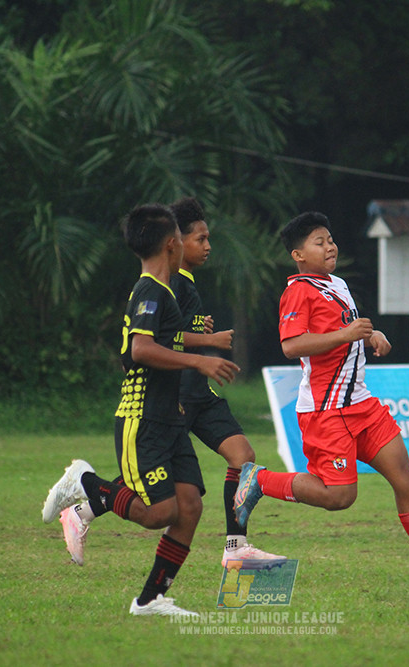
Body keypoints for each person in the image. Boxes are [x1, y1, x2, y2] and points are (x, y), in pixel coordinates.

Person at [233, 211, 409, 584]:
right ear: (298, 255)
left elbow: (343, 330)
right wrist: (349, 335)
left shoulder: (337, 284)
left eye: (330, 239)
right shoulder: (297, 291)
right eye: (319, 242)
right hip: (325, 410)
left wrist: (370, 335)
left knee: (404, 477)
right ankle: (260, 481)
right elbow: (291, 346)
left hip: (362, 405)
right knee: (339, 497)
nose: (330, 246)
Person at [41, 203, 240, 618]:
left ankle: (150, 601)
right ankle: (86, 482)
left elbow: (166, 340)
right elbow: (142, 349)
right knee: (159, 512)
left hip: (170, 417)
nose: (197, 245)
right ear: (173, 244)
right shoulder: (150, 289)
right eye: (191, 238)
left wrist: (201, 345)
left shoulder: (163, 292)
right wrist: (201, 360)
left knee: (189, 508)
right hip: (142, 417)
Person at [167, 196, 285, 567]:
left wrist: (199, 331)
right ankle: (89, 501)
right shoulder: (169, 283)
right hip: (175, 395)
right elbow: (153, 340)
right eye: (200, 239)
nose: (208, 246)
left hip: (200, 393)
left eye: (208, 238)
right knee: (153, 481)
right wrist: (208, 341)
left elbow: (180, 330)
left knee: (243, 456)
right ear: (176, 242)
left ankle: (236, 548)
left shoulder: (187, 285)